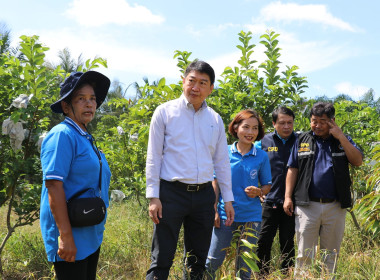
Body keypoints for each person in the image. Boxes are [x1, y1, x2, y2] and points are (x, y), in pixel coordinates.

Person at [145, 60, 234, 280]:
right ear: (183, 81)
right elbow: (153, 156)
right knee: (161, 258)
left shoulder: (215, 119)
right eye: (191, 81)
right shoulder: (164, 112)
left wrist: (228, 199)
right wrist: (153, 196)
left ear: (211, 89)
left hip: (204, 196)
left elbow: (222, 162)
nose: (195, 87)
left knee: (197, 261)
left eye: (203, 83)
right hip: (170, 194)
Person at [40, 71, 112, 279]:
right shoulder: (62, 135)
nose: (89, 104)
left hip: (89, 231)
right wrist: (65, 236)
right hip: (71, 234)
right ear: (65, 106)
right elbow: (53, 185)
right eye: (81, 99)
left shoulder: (85, 137)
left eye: (92, 99)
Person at [283, 102, 363, 278]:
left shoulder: (343, 139)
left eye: (322, 121)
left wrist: (341, 136)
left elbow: (357, 160)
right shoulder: (302, 139)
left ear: (332, 121)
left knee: (331, 254)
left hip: (334, 206)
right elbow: (292, 169)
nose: (317, 125)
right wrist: (288, 197)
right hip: (307, 206)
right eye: (314, 121)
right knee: (305, 255)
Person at [205, 109, 272, 280]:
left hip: (251, 216)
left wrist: (259, 191)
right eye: (246, 127)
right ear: (235, 128)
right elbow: (215, 182)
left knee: (245, 265)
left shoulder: (261, 156)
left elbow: (267, 185)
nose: (250, 132)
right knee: (213, 260)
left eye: (255, 128)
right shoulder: (223, 152)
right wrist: (213, 211)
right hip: (225, 215)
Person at [255, 106, 297, 275]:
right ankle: (262, 275)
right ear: (274, 123)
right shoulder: (262, 142)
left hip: (292, 202)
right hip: (269, 200)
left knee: (287, 241)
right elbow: (253, 165)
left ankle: (286, 275)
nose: (286, 126)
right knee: (263, 240)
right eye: (282, 123)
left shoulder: (301, 141)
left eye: (289, 123)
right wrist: (259, 190)